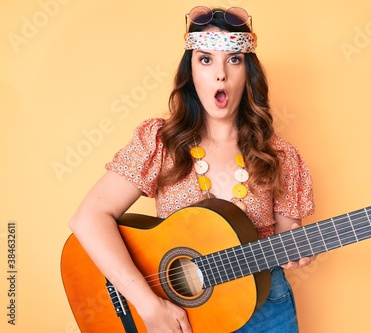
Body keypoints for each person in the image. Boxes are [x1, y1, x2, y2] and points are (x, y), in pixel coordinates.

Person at [69, 5, 315, 333]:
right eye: (205, 59)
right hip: (184, 316)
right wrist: (148, 305)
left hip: (266, 307)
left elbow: (288, 236)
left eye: (234, 59)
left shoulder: (280, 155)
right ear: (192, 73)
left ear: (248, 72)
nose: (220, 74)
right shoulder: (159, 142)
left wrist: (297, 247)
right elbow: (87, 218)